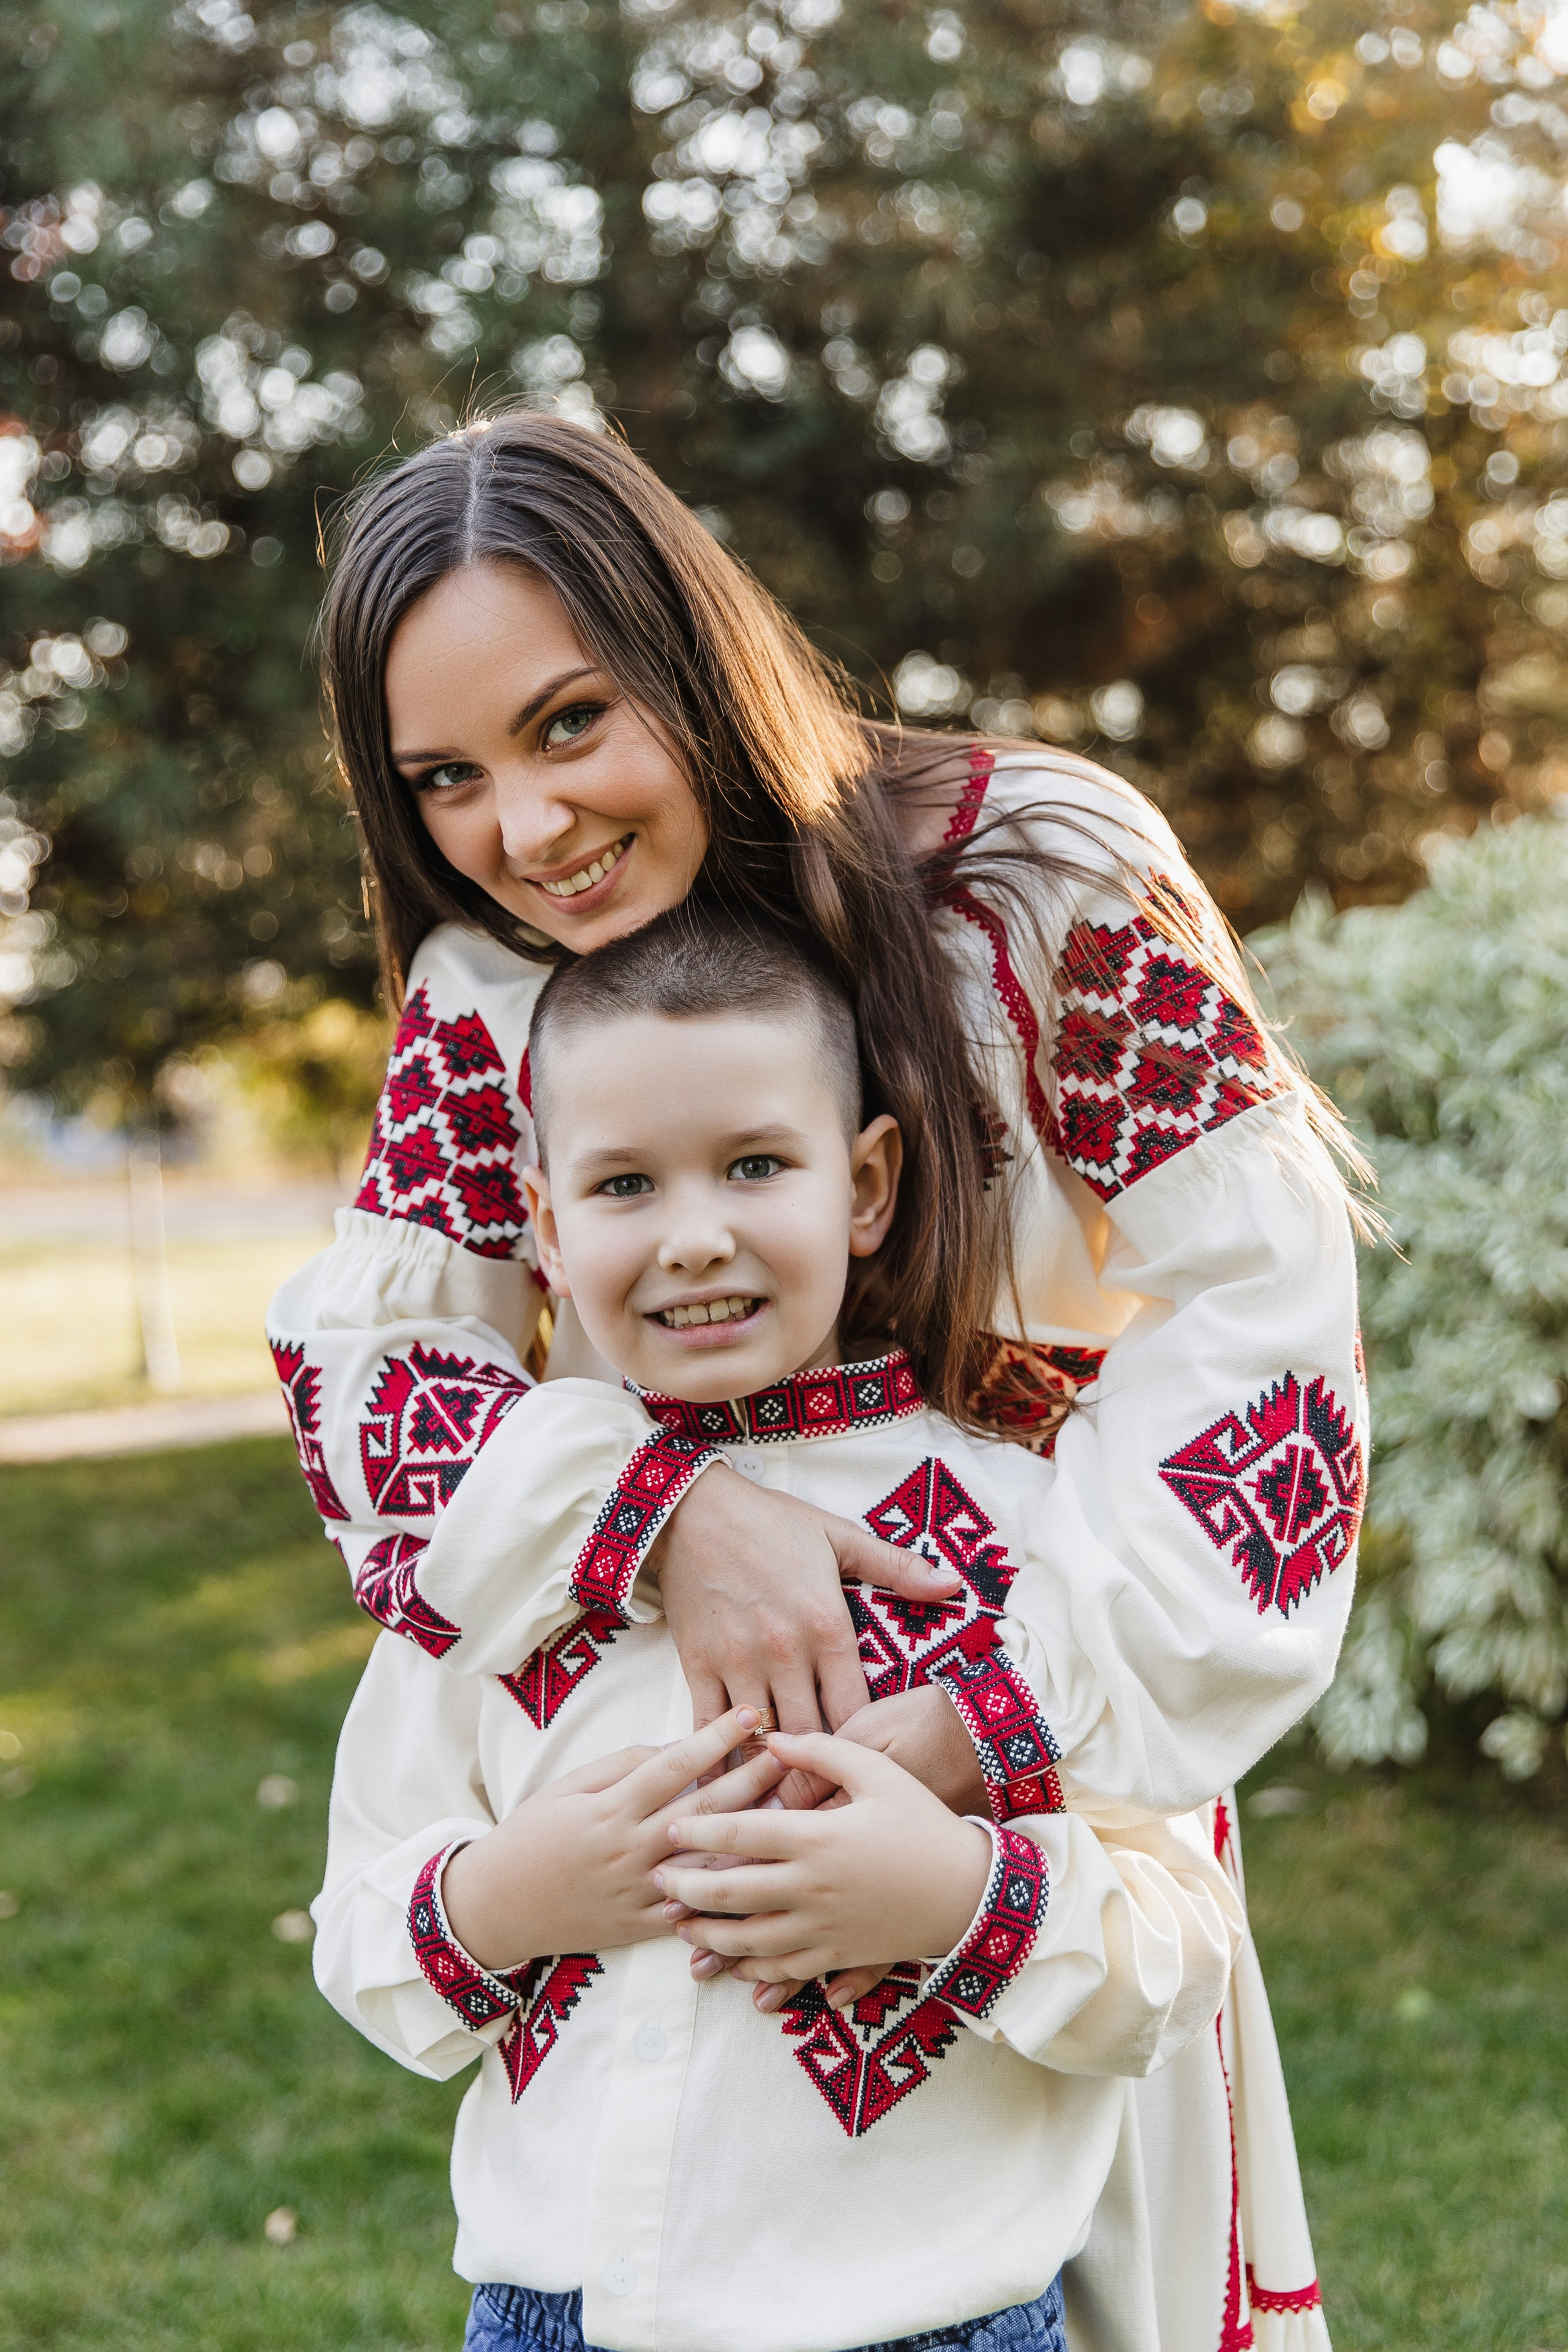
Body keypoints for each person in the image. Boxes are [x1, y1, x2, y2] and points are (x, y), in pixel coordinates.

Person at [270, 408, 1363, 2348]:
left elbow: (1262, 1347)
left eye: (571, 723)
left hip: (1037, 1773)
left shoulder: (1037, 880)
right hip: (674, 1791)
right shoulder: (495, 995)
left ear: (692, 658)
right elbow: (375, 1370)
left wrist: (961, 1754)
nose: (525, 833)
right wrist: (668, 1516)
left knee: (1045, 2262)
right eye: (442, 778)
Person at [311, 908, 1245, 2352]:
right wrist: (516, 1893)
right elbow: (363, 1928)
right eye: (623, 1184)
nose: (695, 1238)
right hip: (550, 2316)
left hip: (927, 2324)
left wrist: (950, 1898)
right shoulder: (498, 1544)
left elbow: (1179, 1953)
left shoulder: (1026, 1540)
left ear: (863, 1183)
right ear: (545, 1226)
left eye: (755, 1165)